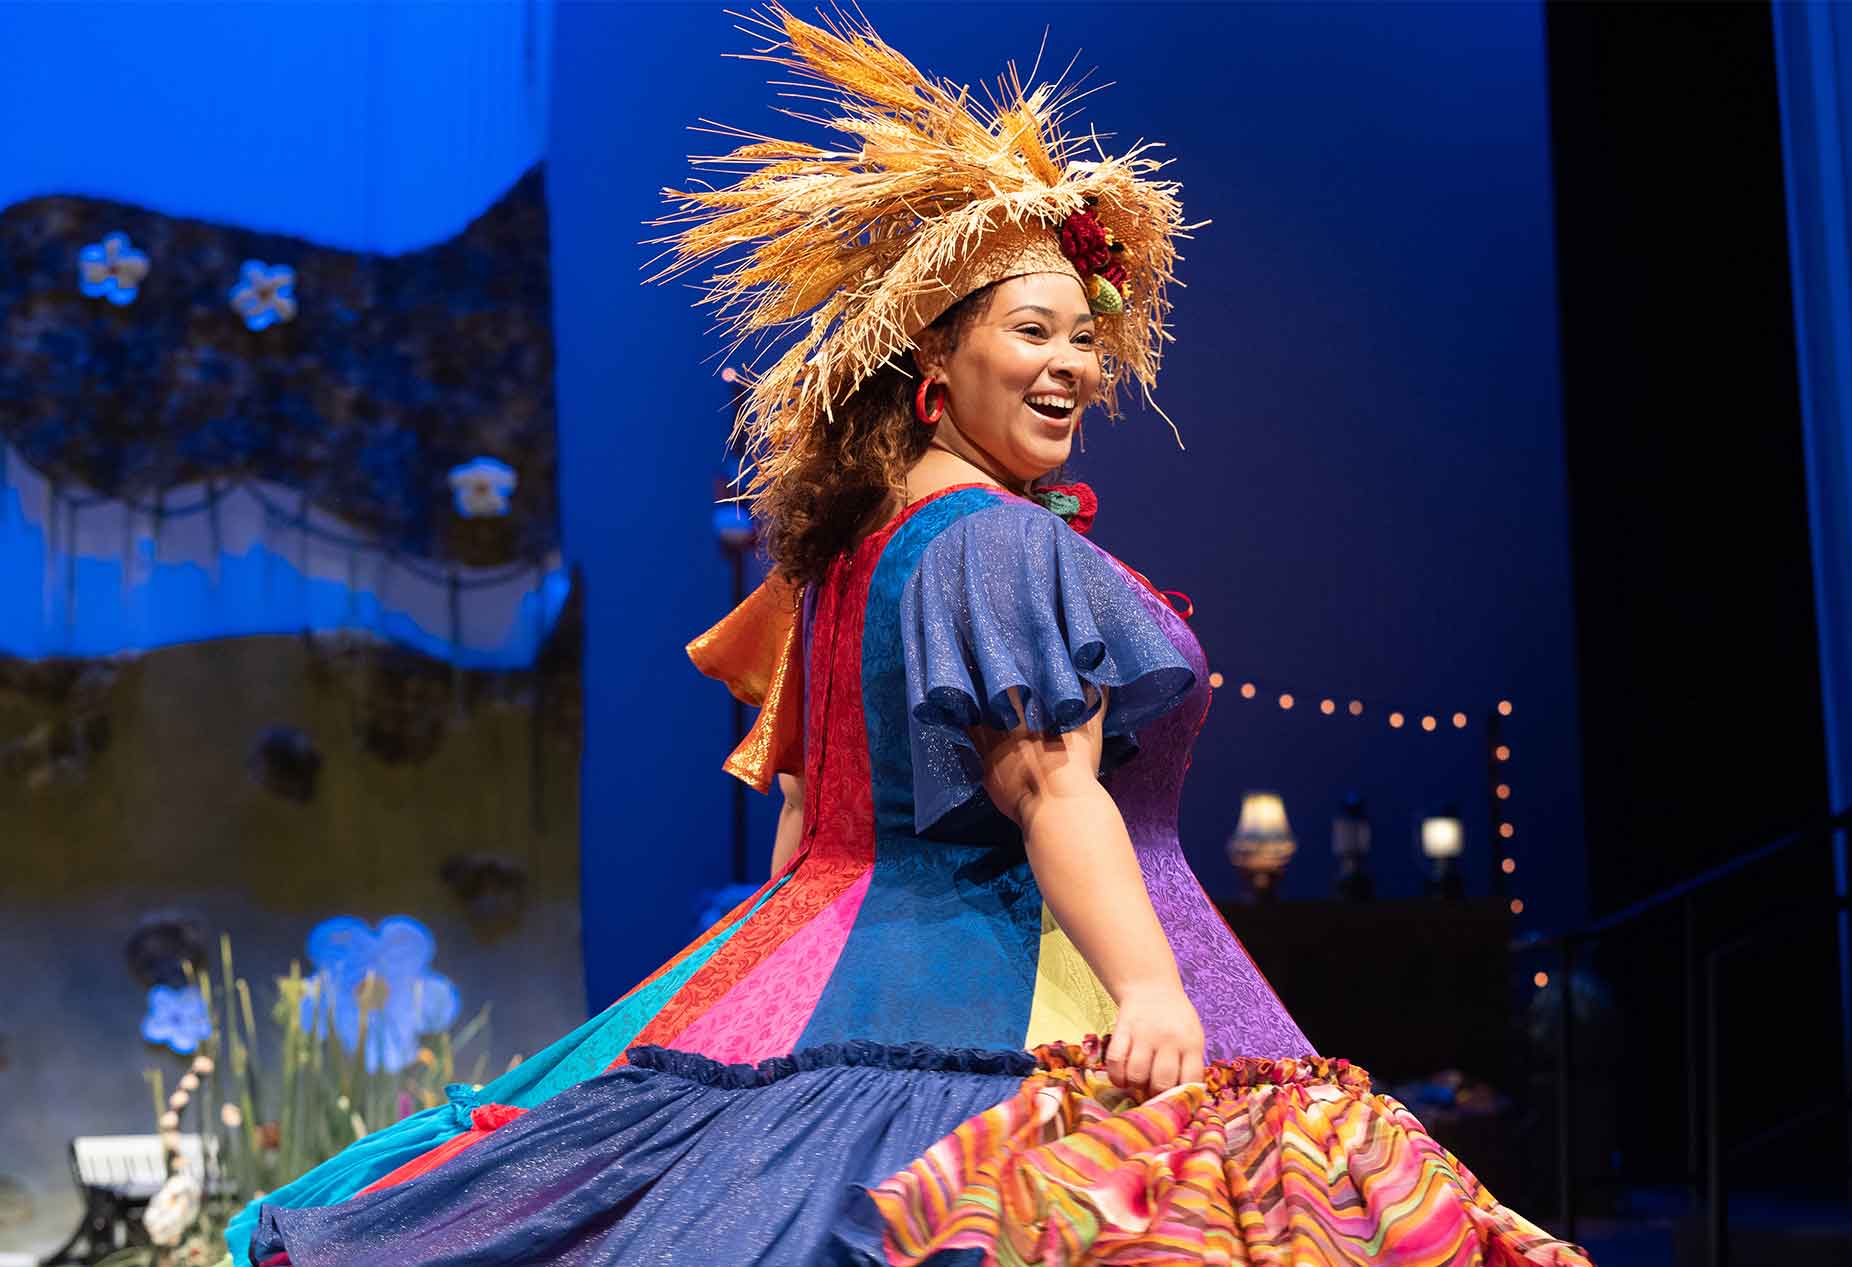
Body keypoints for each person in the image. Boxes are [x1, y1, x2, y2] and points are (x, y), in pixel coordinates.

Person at [237, 8, 1594, 1264]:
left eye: (1084, 337)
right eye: (1030, 331)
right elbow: (1051, 783)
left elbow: (802, 830)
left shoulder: (849, 555)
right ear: (934, 369)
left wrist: (763, 987)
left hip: (813, 972)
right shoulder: (998, 544)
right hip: (999, 988)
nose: (1070, 363)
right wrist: (1148, 991)